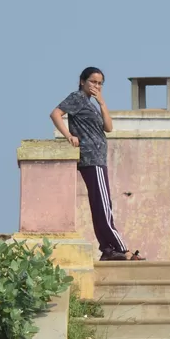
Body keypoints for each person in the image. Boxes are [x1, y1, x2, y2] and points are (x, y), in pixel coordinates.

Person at [50, 67, 143, 261]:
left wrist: (102, 103)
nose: (96, 86)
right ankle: (121, 248)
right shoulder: (77, 98)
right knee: (103, 205)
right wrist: (69, 136)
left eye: (100, 83)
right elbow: (56, 114)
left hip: (98, 159)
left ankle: (108, 250)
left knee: (100, 205)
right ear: (82, 81)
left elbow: (108, 127)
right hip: (91, 158)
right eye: (93, 82)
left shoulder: (92, 104)